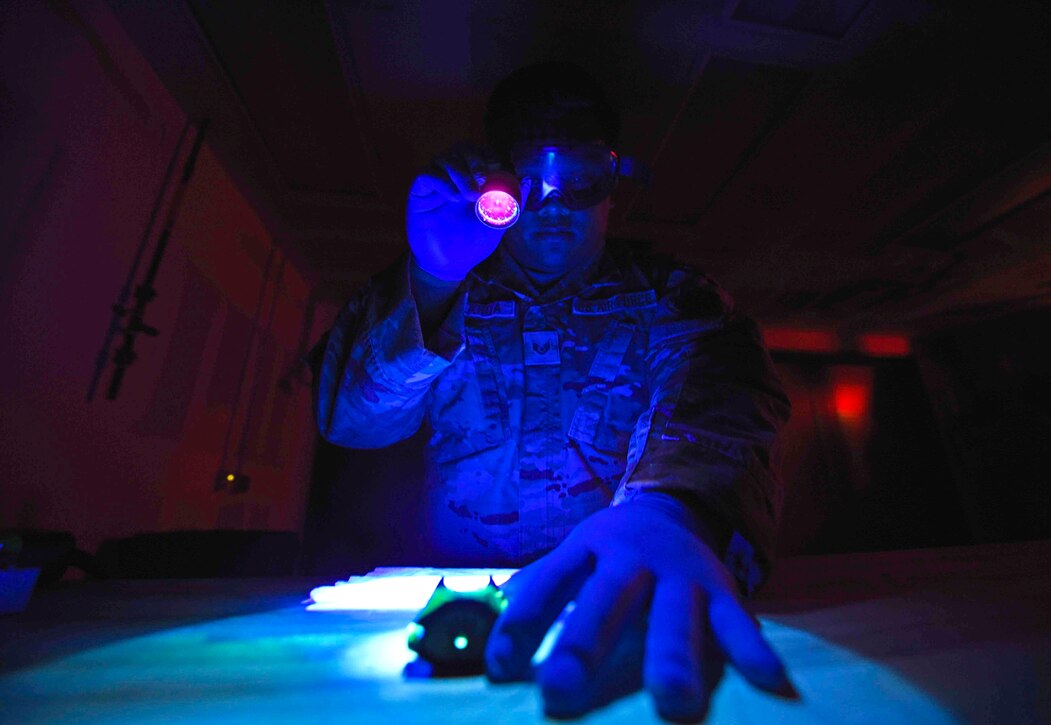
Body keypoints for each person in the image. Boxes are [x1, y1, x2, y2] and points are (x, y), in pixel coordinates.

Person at [313, 62, 793, 720]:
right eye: (530, 180)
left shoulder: (668, 293)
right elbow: (350, 421)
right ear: (498, 183)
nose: (555, 204)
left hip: (615, 589)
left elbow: (722, 380)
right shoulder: (446, 283)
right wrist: (430, 282)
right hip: (448, 594)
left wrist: (674, 506)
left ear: (612, 183)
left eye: (582, 176)